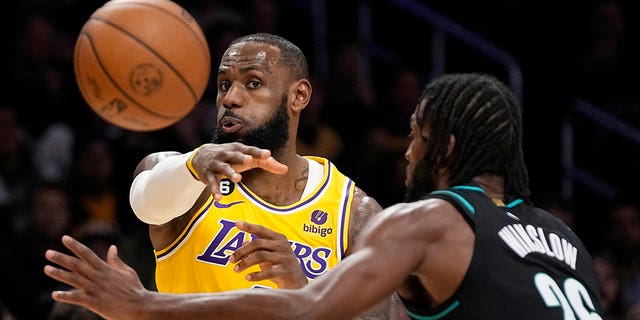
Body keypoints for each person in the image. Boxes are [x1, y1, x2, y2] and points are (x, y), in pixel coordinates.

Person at [44, 73, 604, 319]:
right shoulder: (566, 239)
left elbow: (307, 310)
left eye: (416, 135)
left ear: (448, 146)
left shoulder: (429, 222)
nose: (407, 153)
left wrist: (141, 305)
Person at [107, 33, 391, 316]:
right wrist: (195, 164)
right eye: (224, 84)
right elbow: (146, 204)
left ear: (299, 95)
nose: (230, 98)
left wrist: (301, 291)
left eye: (253, 83)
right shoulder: (184, 175)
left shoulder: (354, 213)